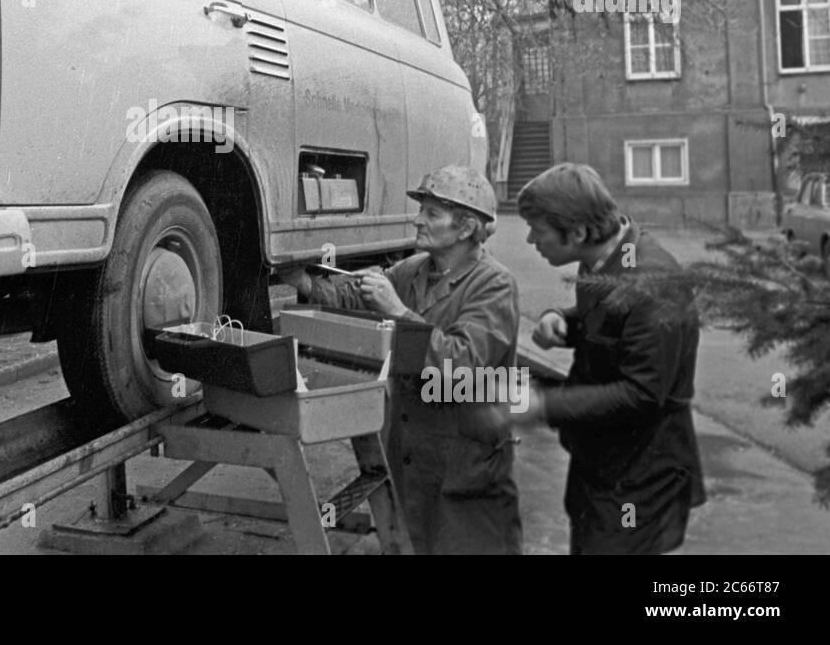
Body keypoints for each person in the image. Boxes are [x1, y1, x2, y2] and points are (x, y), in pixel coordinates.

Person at [279, 165, 522, 555]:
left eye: (431, 213)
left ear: (465, 228)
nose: (417, 219)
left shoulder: (494, 284)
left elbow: (463, 368)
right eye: (421, 209)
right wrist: (305, 283)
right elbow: (356, 295)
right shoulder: (415, 270)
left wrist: (398, 312)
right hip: (416, 447)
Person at [514, 162, 706, 555]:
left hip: (641, 478)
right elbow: (609, 320)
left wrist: (543, 404)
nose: (531, 239)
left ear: (580, 232)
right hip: (604, 464)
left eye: (539, 229)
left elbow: (642, 393)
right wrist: (562, 319)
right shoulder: (608, 255)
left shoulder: (651, 282)